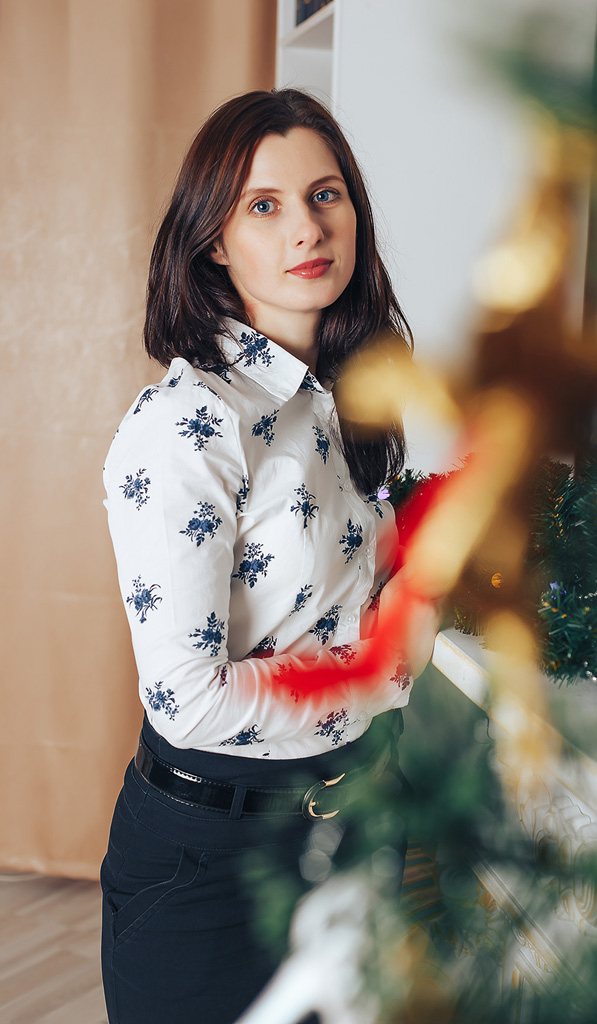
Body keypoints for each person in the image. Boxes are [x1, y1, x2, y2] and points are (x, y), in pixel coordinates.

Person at [100, 88, 441, 1024]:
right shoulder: (186, 425)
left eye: (326, 195)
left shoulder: (347, 399)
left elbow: (356, 591)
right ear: (213, 240)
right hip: (210, 863)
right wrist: (381, 667)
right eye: (265, 205)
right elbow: (188, 696)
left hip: (356, 826)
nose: (307, 227)